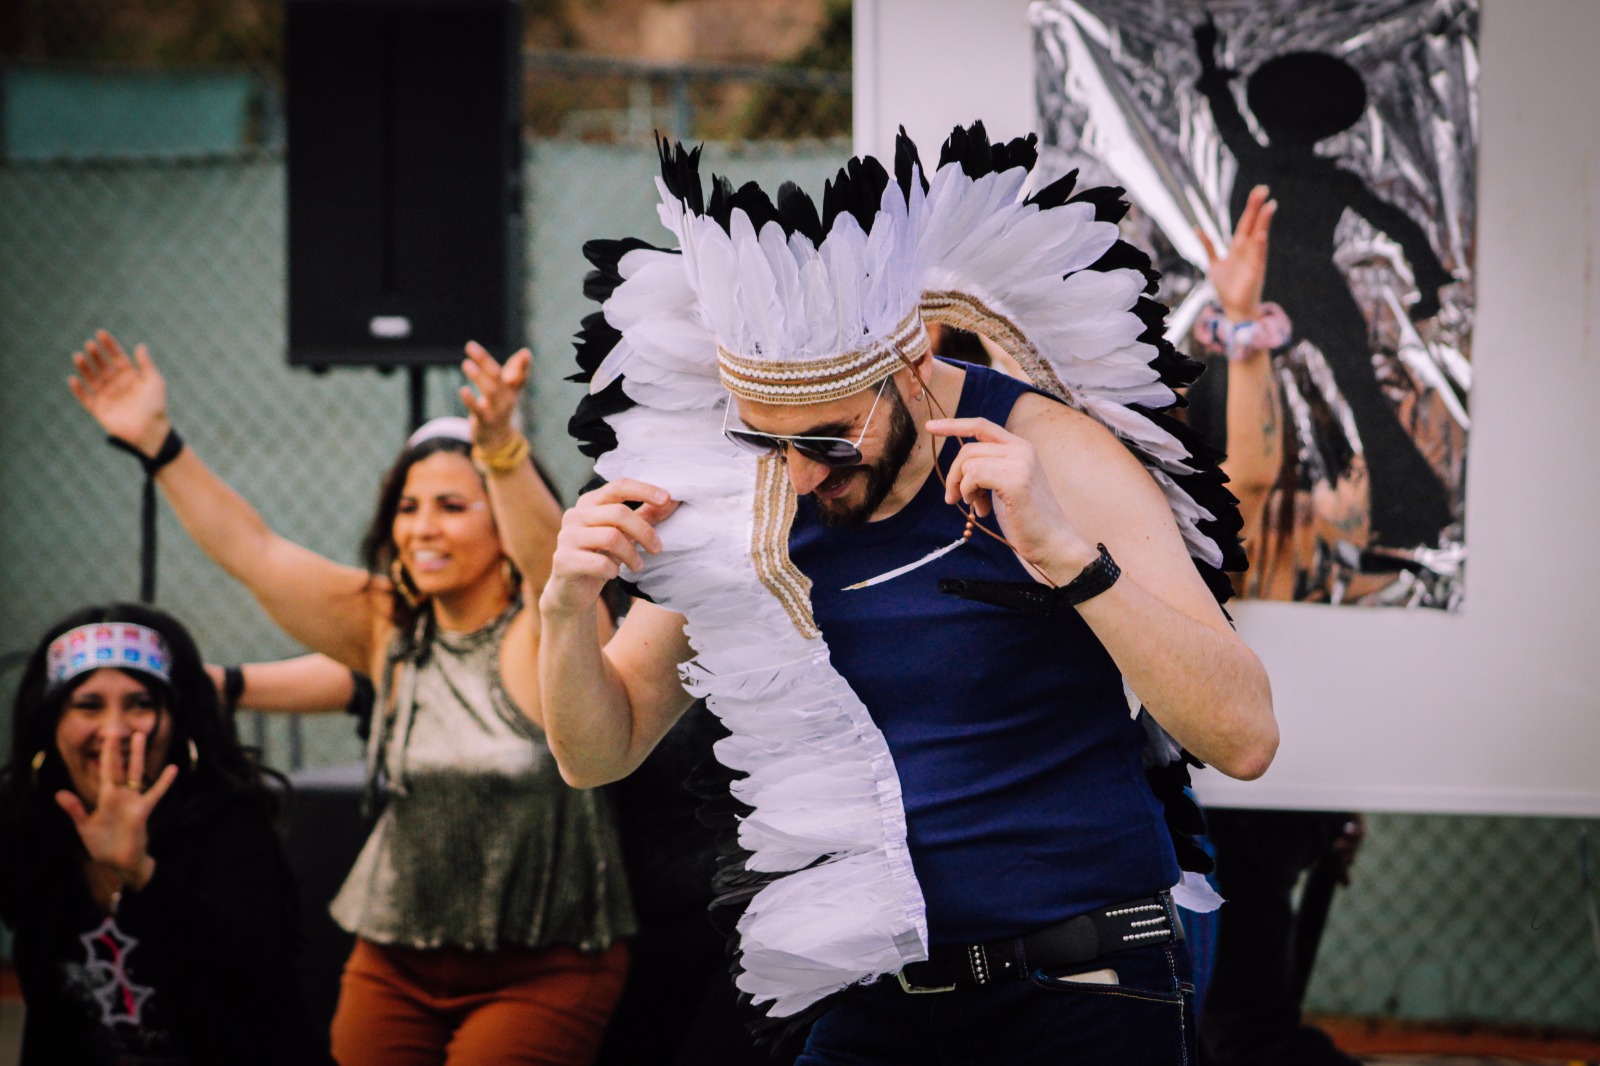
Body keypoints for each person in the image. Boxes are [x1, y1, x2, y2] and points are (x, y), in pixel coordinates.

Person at [538, 124, 1277, 1063]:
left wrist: (1068, 557)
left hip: (1081, 979)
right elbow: (597, 751)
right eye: (766, 439)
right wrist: (564, 611)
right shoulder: (743, 497)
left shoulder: (1053, 451)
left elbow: (1244, 737)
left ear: (915, 367)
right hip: (876, 995)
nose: (801, 474)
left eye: (832, 440)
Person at [67, 334, 634, 1065]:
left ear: (500, 520)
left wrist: (501, 451)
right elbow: (254, 551)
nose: (421, 527)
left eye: (451, 506)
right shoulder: (386, 625)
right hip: (395, 962)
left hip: (546, 967)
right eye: (408, 506)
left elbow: (554, 571)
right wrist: (157, 444)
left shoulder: (548, 627)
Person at [1187, 186, 1368, 1066]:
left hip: (1228, 807)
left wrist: (1242, 324)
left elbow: (1247, 482)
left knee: (1246, 1028)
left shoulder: (1186, 538)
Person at [0, 603, 330, 1065]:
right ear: (50, 723)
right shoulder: (26, 816)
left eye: (141, 704)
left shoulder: (229, 820)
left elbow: (256, 982)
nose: (115, 731)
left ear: (178, 722)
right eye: (88, 705)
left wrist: (142, 875)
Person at [1194, 16, 1454, 553]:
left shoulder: (1257, 157)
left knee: (1226, 393)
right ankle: (1412, 515)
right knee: (1357, 399)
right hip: (1308, 291)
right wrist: (1429, 281)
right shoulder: (1329, 177)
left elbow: (1225, 115)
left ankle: (1195, 520)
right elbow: (1401, 226)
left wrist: (1210, 65)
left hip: (1277, 291)